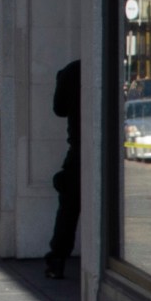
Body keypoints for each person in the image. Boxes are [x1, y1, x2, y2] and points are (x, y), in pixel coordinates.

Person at [46, 60, 81, 282]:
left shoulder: (70, 71)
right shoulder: (105, 68)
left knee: (68, 211)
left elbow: (59, 109)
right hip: (102, 151)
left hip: (78, 152)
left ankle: (57, 260)